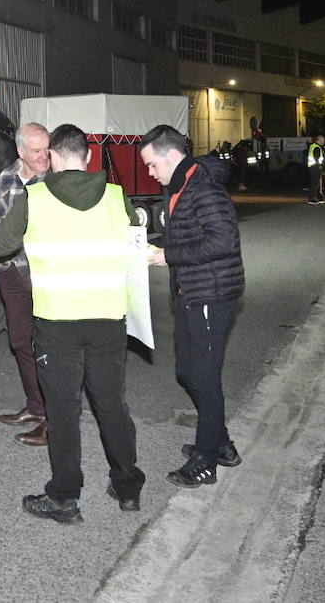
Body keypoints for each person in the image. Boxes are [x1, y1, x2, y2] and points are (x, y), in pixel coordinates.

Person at [0, 124, 145, 524]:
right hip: (108, 319)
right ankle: (127, 487)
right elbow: (139, 244)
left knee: (62, 411)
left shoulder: (34, 197)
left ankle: (64, 498)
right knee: (111, 405)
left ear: (55, 157)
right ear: (89, 156)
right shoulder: (116, 196)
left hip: (58, 322)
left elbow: (1, 245)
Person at [141, 124, 245, 488]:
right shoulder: (180, 187)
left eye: (152, 164)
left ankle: (205, 461)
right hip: (191, 293)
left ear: (171, 155)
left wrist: (167, 255)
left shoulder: (205, 188)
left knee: (204, 377)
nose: (150, 173)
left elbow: (223, 241)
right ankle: (221, 443)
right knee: (187, 372)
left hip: (211, 296)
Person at [0, 122, 51, 446]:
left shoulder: (54, 182)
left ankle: (52, 420)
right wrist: (2, 262)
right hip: (12, 271)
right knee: (20, 341)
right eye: (37, 150)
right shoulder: (7, 177)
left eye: (47, 149)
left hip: (41, 274)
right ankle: (35, 406)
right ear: (21, 151)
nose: (44, 156)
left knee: (49, 347)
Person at [307, 134, 325, 204]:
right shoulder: (317, 147)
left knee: (314, 182)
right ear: (318, 140)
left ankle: (316, 197)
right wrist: (320, 165)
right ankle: (313, 198)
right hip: (315, 167)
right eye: (322, 140)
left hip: (313, 167)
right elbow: (316, 157)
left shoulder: (313, 146)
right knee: (315, 183)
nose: (323, 142)